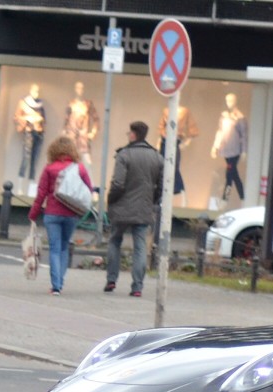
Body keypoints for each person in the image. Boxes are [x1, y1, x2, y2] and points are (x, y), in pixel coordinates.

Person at [27, 135, 92, 295]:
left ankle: (55, 286)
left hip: (52, 213)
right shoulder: (80, 168)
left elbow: (41, 194)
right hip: (71, 214)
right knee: (64, 247)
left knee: (55, 248)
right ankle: (60, 282)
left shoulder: (49, 169)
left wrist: (33, 214)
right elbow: (88, 190)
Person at [105, 121, 163, 296]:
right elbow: (161, 186)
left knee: (115, 241)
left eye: (129, 133)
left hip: (122, 207)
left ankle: (111, 280)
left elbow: (118, 183)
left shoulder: (124, 155)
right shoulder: (157, 157)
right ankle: (137, 287)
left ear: (133, 135)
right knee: (140, 247)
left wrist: (111, 200)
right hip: (143, 209)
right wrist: (151, 200)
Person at [159, 104, 198, 205]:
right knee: (163, 169)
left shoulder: (184, 111)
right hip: (164, 142)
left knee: (174, 169)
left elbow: (192, 128)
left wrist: (186, 142)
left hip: (175, 142)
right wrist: (158, 142)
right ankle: (163, 197)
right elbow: (161, 128)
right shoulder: (166, 110)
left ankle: (182, 196)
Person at [211, 93, 247, 202]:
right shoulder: (223, 116)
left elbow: (244, 135)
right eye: (227, 101)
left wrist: (244, 151)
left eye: (231, 100)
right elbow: (220, 131)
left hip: (235, 150)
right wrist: (215, 146)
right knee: (233, 174)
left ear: (235, 101)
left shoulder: (240, 117)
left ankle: (225, 198)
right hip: (225, 149)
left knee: (230, 174)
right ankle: (242, 197)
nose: (229, 103)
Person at [14, 83, 45, 185]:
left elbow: (43, 119)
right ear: (31, 91)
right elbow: (17, 117)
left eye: (38, 91)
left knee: (34, 161)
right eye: (35, 90)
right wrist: (28, 118)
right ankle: (20, 185)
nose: (36, 93)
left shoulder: (40, 105)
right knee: (25, 159)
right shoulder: (23, 103)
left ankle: (31, 186)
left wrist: (39, 119)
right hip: (28, 133)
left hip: (38, 134)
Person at [63, 81, 99, 169]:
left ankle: (89, 181)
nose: (80, 90)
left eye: (81, 88)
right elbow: (66, 119)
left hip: (83, 136)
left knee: (87, 161)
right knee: (70, 161)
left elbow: (96, 119)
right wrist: (64, 132)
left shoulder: (88, 104)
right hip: (72, 135)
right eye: (78, 88)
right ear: (75, 89)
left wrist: (93, 132)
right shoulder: (71, 103)